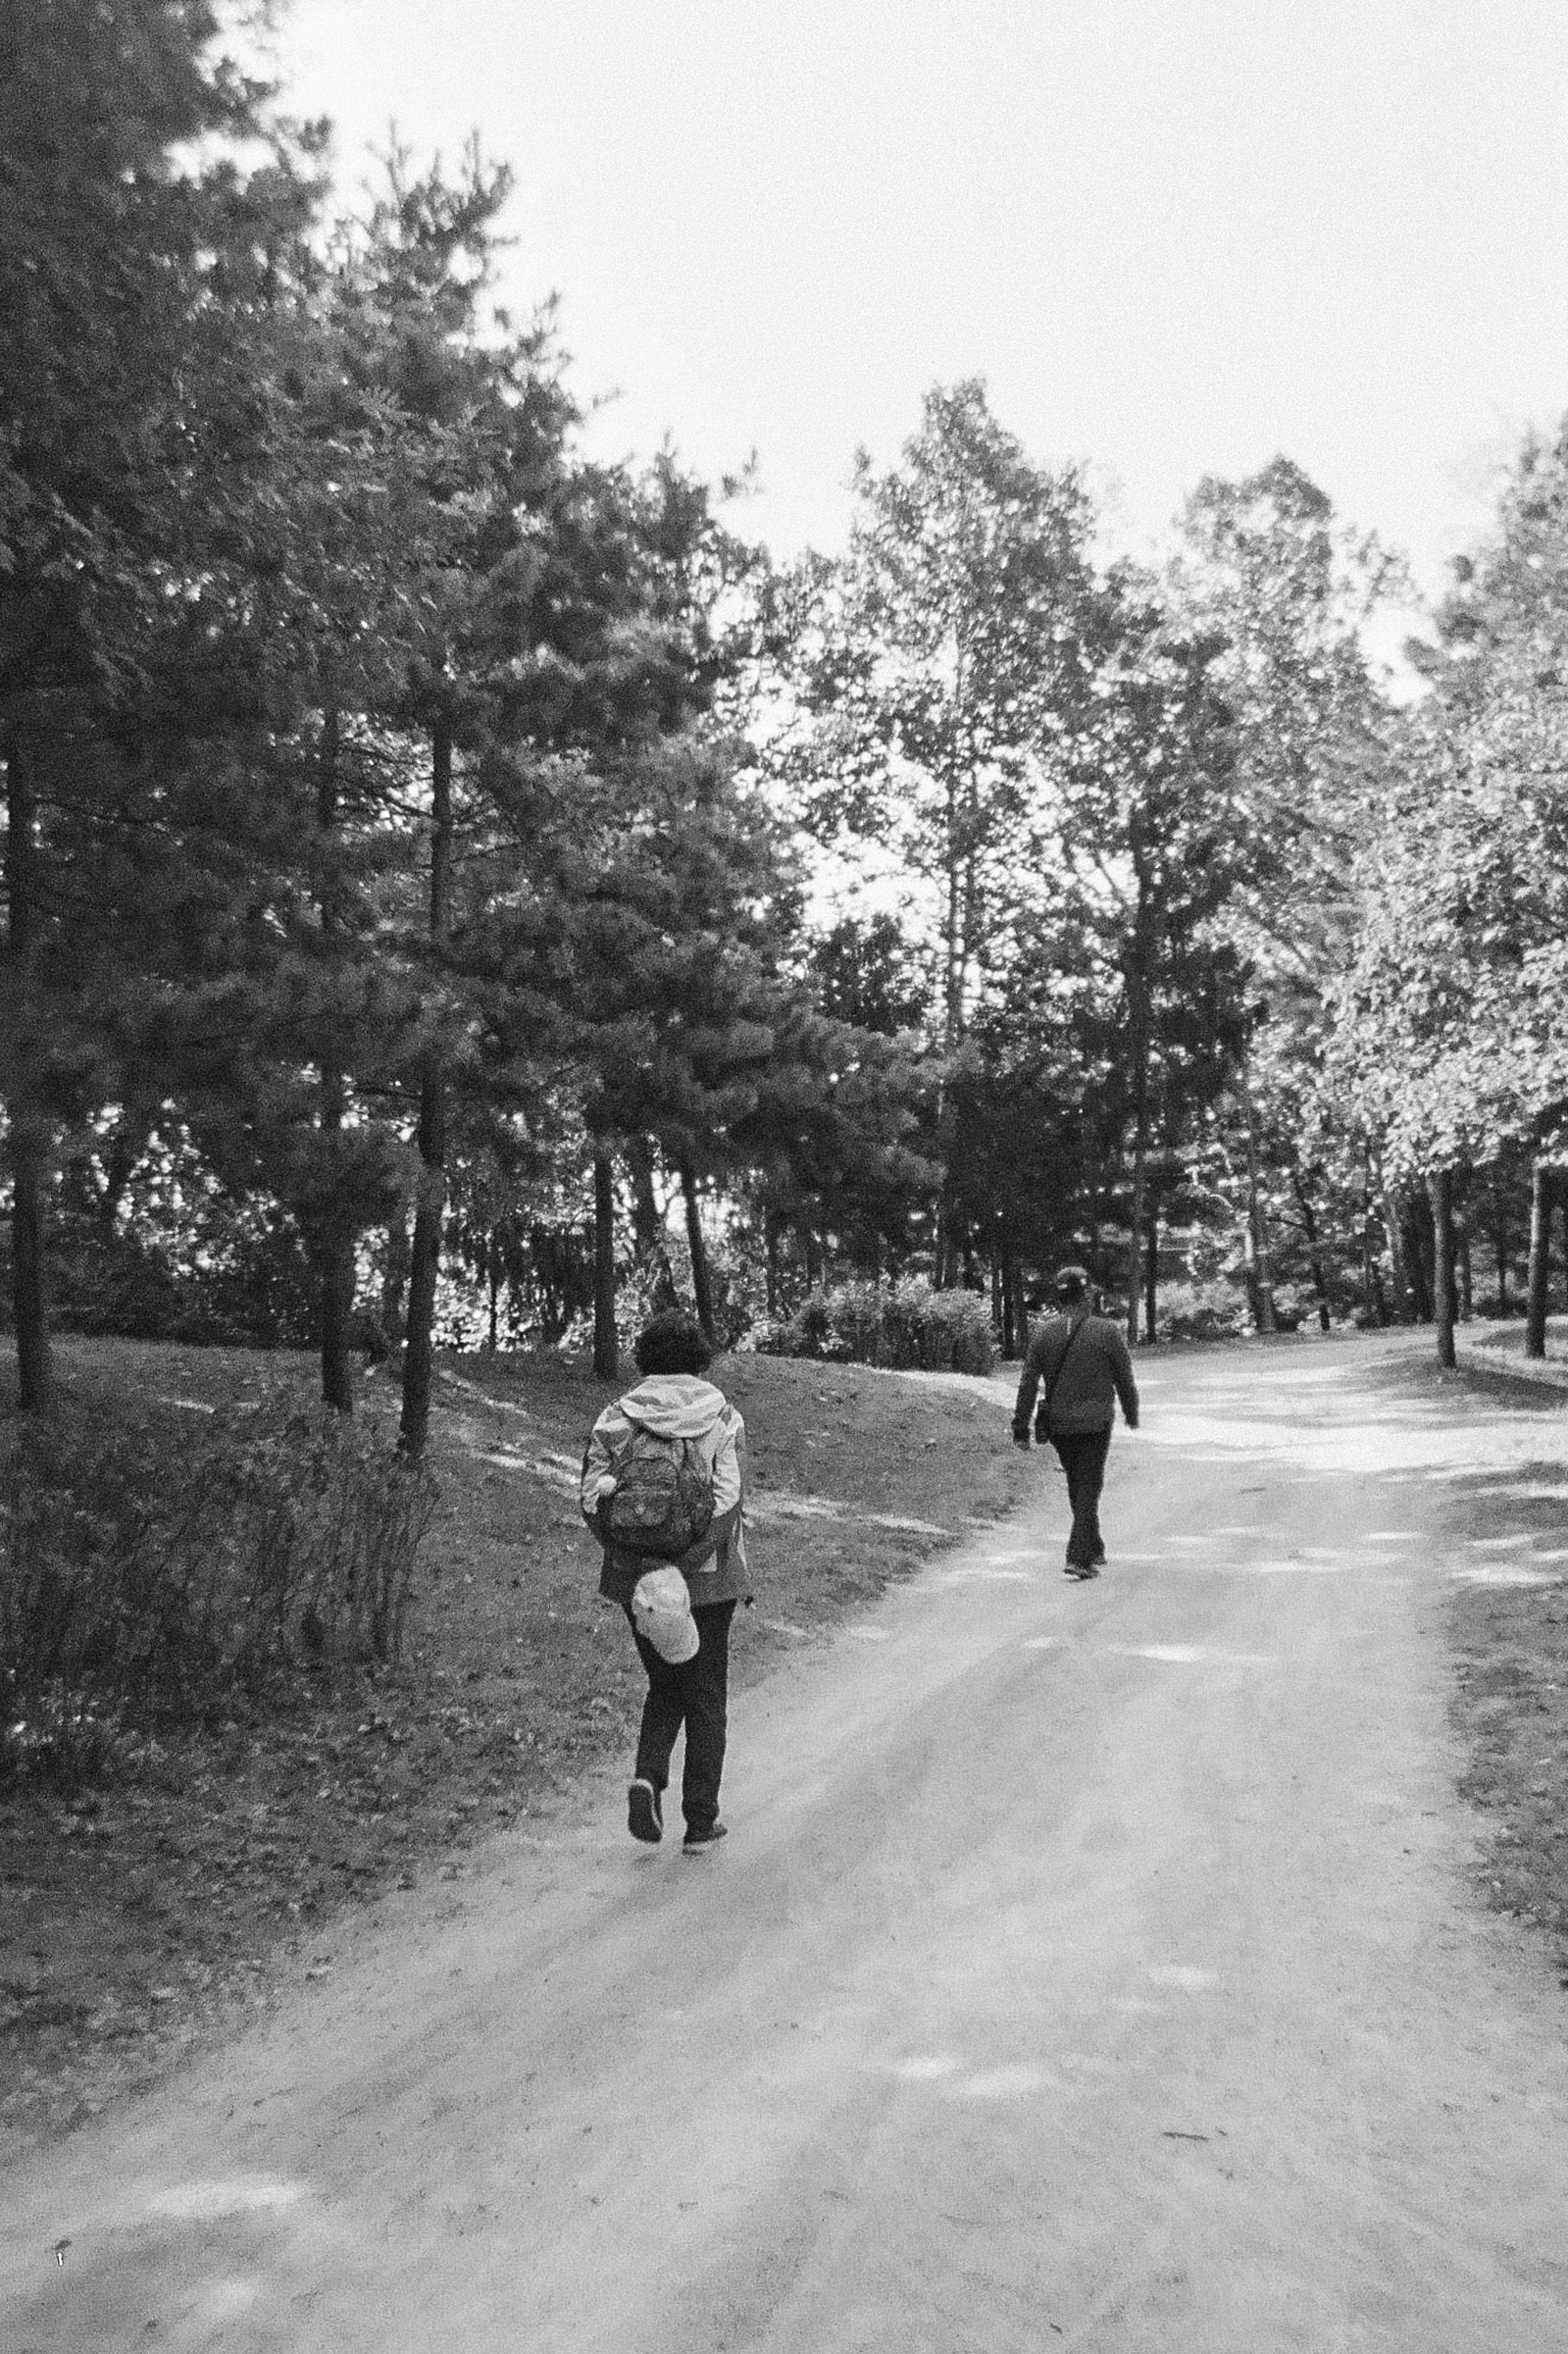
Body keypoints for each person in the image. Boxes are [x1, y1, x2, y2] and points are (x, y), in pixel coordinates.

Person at [581, 1309, 748, 1851]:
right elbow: (727, 1502)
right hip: (708, 1580)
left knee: (667, 1682)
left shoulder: (616, 1416)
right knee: (706, 1695)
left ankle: (647, 1778)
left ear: (645, 1358)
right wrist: (688, 1561)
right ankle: (700, 1822)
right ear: (699, 1358)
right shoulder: (721, 1416)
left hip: (639, 1580)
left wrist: (639, 1562)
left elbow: (591, 1500)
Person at [1011, 1265, 1139, 1578]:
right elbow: (1124, 1377)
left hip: (1059, 1424)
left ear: (1060, 1298)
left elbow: (1028, 1382)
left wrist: (1021, 1426)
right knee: (1089, 1485)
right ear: (1086, 1295)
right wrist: (1131, 1411)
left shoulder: (1044, 1333)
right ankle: (1078, 1556)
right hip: (1095, 1423)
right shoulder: (1107, 1331)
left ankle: (1093, 1546)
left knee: (1077, 1481)